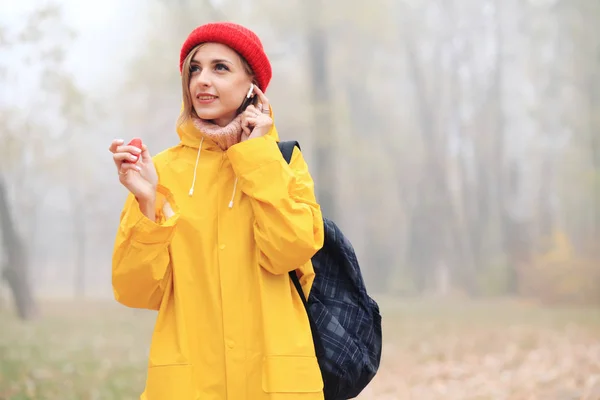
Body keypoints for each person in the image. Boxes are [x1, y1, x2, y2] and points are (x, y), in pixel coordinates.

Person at [108, 22, 325, 400]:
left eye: (220, 68)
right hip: (189, 385)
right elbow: (134, 290)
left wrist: (256, 157)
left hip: (274, 382)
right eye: (195, 68)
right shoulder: (159, 171)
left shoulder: (283, 162)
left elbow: (289, 250)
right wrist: (147, 203)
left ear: (252, 86)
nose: (202, 80)